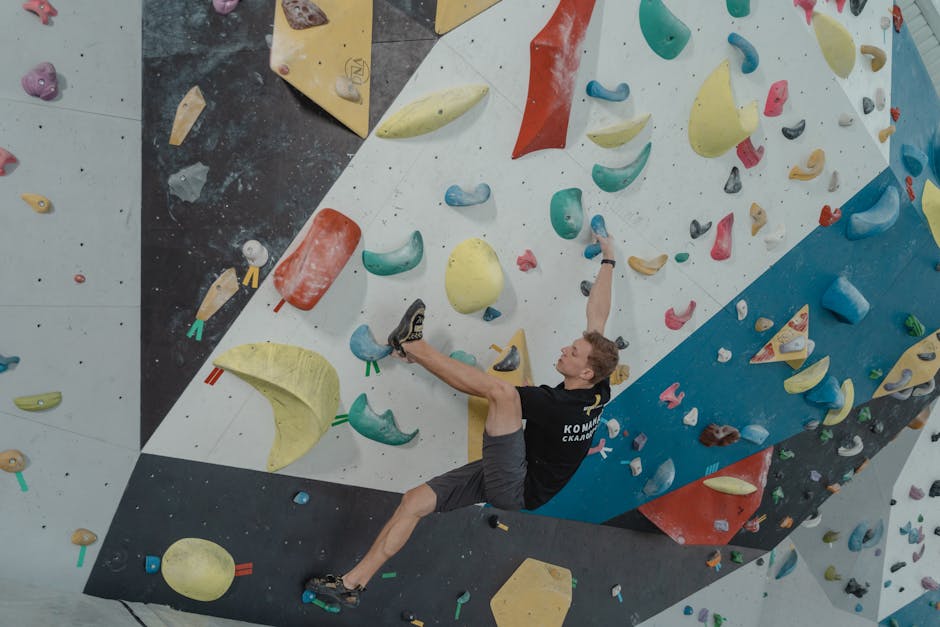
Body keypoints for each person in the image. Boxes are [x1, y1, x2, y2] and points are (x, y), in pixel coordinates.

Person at [306, 235, 620, 608]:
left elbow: (492, 392)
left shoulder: (557, 404)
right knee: (415, 502)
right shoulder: (599, 388)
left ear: (584, 371)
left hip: (517, 485)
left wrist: (423, 357)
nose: (565, 349)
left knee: (503, 394)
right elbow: (597, 314)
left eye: (573, 352)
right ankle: (352, 584)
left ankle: (414, 345)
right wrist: (609, 258)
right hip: (519, 472)